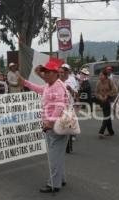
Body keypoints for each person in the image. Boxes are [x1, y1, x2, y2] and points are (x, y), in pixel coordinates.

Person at [18, 57, 69, 193]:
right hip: (54, 125)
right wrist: (25, 82)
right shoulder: (49, 85)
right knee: (58, 155)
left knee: (53, 157)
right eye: (44, 72)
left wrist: (50, 122)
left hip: (55, 125)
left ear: (55, 73)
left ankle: (54, 184)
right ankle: (60, 179)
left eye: (47, 72)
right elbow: (40, 89)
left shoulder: (57, 85)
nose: (45, 74)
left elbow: (59, 106)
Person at [59, 64, 79, 153]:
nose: (63, 73)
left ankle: (68, 146)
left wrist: (70, 89)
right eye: (62, 71)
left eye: (66, 70)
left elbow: (76, 94)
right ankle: (62, 144)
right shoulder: (57, 80)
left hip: (69, 105)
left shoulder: (72, 79)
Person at [95, 70, 117, 138]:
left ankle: (101, 132)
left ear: (105, 76)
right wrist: (100, 96)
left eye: (102, 75)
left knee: (106, 116)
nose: (100, 77)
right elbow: (96, 92)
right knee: (107, 116)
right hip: (102, 100)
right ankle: (111, 131)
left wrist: (107, 95)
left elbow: (115, 90)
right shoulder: (98, 82)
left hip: (109, 100)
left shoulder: (110, 81)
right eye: (99, 75)